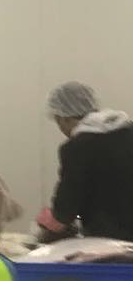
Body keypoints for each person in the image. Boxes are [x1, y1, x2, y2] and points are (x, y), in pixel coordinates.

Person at [37, 81, 133, 243]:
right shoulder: (129, 132)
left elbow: (66, 207)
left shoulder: (76, 148)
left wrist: (50, 220)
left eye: (59, 122)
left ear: (63, 118)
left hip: (109, 240)